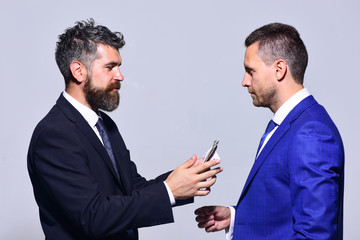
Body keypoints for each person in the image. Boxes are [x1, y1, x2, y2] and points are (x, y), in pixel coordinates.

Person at [27, 19, 222, 240]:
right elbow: (93, 216)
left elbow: (131, 189)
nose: (120, 76)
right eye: (110, 67)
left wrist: (185, 178)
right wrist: (169, 190)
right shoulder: (54, 135)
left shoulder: (105, 125)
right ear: (78, 71)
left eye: (119, 66)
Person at [195, 23, 344, 239]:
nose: (244, 81)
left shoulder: (311, 132)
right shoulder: (287, 124)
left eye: (250, 71)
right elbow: (283, 206)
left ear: (279, 69)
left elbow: (315, 234)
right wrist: (237, 217)